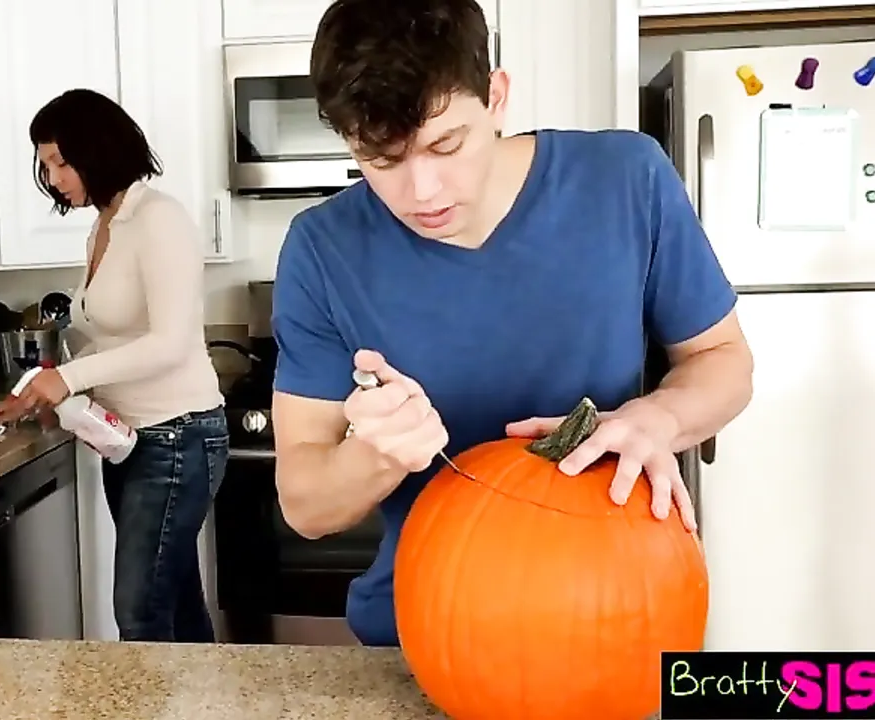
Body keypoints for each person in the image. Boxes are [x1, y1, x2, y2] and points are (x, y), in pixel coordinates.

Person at [270, 0, 755, 648]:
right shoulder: (320, 249)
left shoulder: (626, 179)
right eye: (381, 159)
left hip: (616, 612)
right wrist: (374, 455)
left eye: (446, 144)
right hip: (423, 632)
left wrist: (659, 418)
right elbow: (304, 504)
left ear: (495, 98)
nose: (423, 192)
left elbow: (723, 359)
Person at [0, 88, 229, 643]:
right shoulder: (105, 225)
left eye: (61, 162)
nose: (54, 178)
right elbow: (111, 340)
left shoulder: (158, 219)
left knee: (139, 611)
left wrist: (65, 378)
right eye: (46, 165)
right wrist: (34, 394)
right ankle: (206, 689)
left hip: (178, 436)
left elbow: (170, 342)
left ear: (98, 150)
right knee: (173, 601)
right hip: (130, 442)